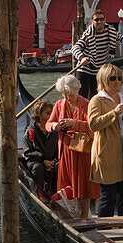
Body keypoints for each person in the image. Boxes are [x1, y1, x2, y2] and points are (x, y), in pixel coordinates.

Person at [87, 63, 123, 217]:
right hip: (107, 150)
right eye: (112, 78)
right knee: (108, 195)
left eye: (119, 78)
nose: (117, 81)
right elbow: (93, 124)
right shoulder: (97, 101)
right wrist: (114, 112)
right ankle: (105, 229)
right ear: (103, 80)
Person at [47, 74, 99, 218]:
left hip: (82, 150)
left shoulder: (87, 104)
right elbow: (48, 124)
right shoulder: (59, 104)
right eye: (64, 94)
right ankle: (69, 213)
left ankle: (84, 216)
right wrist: (55, 126)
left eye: (69, 94)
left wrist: (74, 123)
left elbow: (93, 127)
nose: (66, 97)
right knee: (66, 182)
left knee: (83, 183)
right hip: (65, 149)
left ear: (76, 91)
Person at [72, 10, 123, 99]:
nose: (99, 22)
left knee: (97, 97)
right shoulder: (88, 35)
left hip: (98, 71)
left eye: (101, 19)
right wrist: (82, 58)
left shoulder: (110, 31)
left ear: (105, 20)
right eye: (96, 20)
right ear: (92, 21)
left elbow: (120, 37)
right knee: (82, 97)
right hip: (85, 69)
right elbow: (75, 47)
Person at [22, 100, 58, 198]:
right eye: (47, 113)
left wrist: (54, 161)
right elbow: (28, 152)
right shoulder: (30, 131)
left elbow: (59, 149)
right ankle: (39, 192)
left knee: (59, 166)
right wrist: (43, 161)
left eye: (51, 112)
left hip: (52, 161)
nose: (50, 115)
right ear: (39, 114)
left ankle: (55, 192)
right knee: (38, 168)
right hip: (36, 162)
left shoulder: (54, 130)